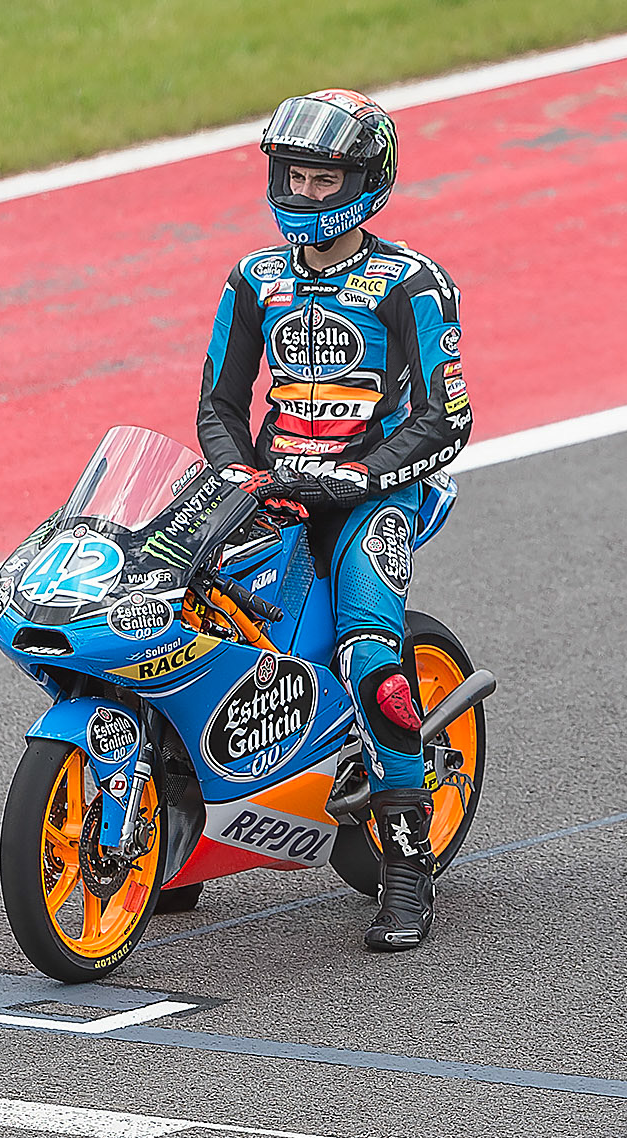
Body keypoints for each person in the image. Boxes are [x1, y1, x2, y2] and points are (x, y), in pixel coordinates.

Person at [197, 88, 472, 952]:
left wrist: (358, 477)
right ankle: (174, 834)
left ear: (366, 180)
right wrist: (237, 468)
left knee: (366, 658)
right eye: (295, 176)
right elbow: (217, 402)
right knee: (191, 614)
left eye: (324, 179)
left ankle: (404, 870)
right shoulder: (253, 278)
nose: (307, 195)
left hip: (375, 496)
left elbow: (447, 418)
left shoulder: (413, 284)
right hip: (271, 485)